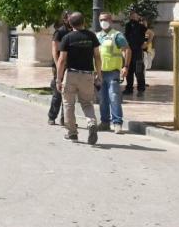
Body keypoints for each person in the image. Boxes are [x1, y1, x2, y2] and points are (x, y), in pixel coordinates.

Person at [56, 12, 101, 145]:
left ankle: (72, 133)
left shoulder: (67, 38)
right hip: (87, 75)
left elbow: (62, 60)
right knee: (87, 103)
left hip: (71, 75)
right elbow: (97, 56)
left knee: (68, 104)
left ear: (70, 24)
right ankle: (91, 122)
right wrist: (99, 73)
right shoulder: (91, 36)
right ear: (84, 22)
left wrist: (58, 79)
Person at [96, 12, 129, 133]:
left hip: (113, 72)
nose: (102, 22)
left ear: (111, 20)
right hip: (100, 73)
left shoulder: (117, 35)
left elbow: (127, 50)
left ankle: (117, 123)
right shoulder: (98, 36)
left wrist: (126, 66)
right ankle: (105, 122)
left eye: (105, 19)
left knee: (114, 97)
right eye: (100, 20)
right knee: (103, 99)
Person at [49, 12, 71, 126]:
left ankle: (65, 119)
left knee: (68, 94)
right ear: (65, 19)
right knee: (58, 93)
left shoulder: (74, 31)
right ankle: (52, 116)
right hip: (60, 65)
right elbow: (54, 50)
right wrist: (58, 66)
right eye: (70, 18)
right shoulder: (60, 32)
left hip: (70, 66)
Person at [124, 11, 152, 95]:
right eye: (131, 16)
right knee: (129, 71)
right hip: (129, 51)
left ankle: (141, 89)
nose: (133, 18)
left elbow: (151, 33)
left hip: (138, 52)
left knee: (139, 71)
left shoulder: (141, 26)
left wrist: (146, 43)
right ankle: (129, 89)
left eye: (134, 16)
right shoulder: (127, 26)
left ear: (137, 17)